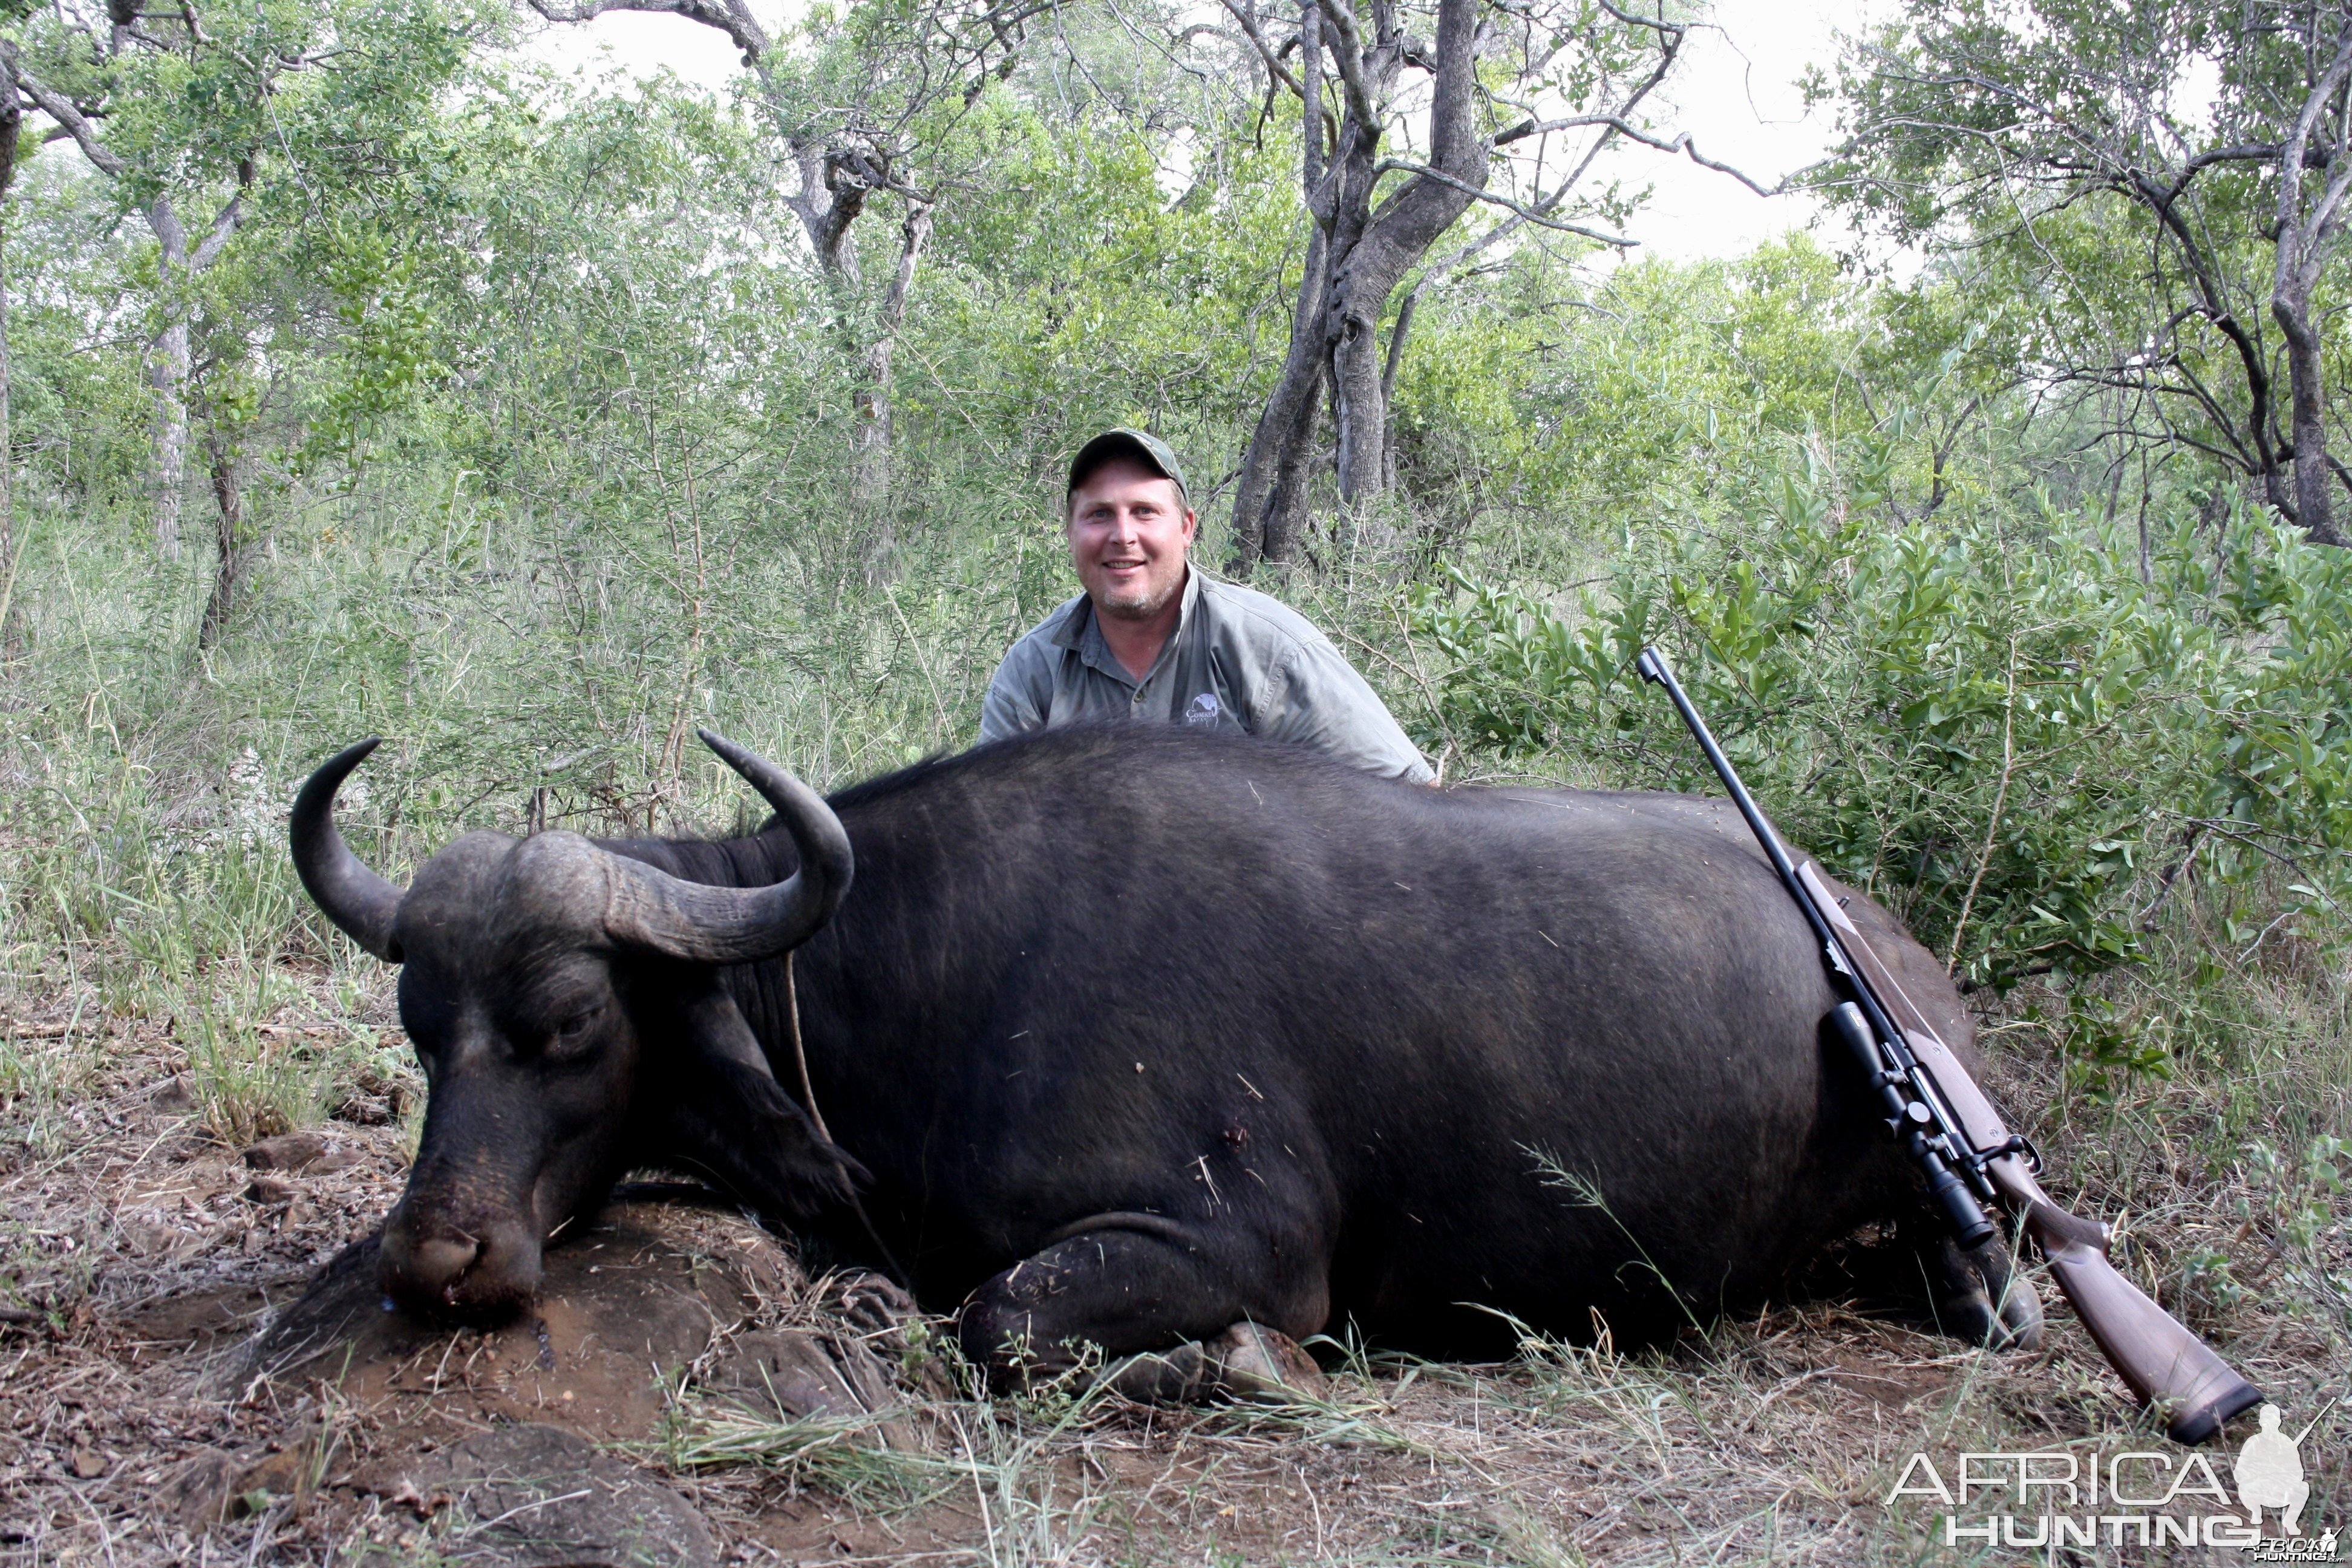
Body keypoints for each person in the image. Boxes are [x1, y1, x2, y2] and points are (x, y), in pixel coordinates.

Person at [978, 428, 1434, 782]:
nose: (1122, 535)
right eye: (1099, 514)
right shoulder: (1033, 671)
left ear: (1186, 529)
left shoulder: (1270, 649)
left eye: (1145, 512)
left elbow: (1410, 795)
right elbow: (993, 833)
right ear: (1071, 533)